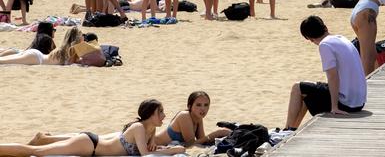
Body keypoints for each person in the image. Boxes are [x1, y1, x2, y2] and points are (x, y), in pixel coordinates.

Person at [0, 99, 185, 156]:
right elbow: (145, 155)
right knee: (35, 152)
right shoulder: (138, 128)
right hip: (91, 146)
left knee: (38, 150)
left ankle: (45, 137)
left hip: (93, 142)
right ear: (151, 114)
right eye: (160, 112)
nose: (164, 116)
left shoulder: (149, 129)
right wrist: (173, 150)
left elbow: (150, 148)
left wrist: (160, 146)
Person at [284, 16, 366, 130]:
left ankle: (286, 130)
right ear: (325, 27)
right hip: (359, 101)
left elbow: (333, 77)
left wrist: (334, 107)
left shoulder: (325, 45)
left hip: (346, 104)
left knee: (297, 88)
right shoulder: (341, 38)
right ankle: (290, 129)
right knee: (307, 92)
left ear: (310, 38)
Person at [154, 92, 230, 146]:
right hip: (150, 143)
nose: (203, 109)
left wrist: (222, 133)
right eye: (198, 105)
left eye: (206, 105)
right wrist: (217, 133)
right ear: (189, 106)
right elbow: (190, 143)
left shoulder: (198, 117)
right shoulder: (184, 116)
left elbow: (201, 140)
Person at [0, 27, 82, 66]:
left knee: (2, 60)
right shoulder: (71, 52)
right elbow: (80, 61)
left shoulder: (63, 49)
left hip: (36, 55)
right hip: (37, 59)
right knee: (2, 61)